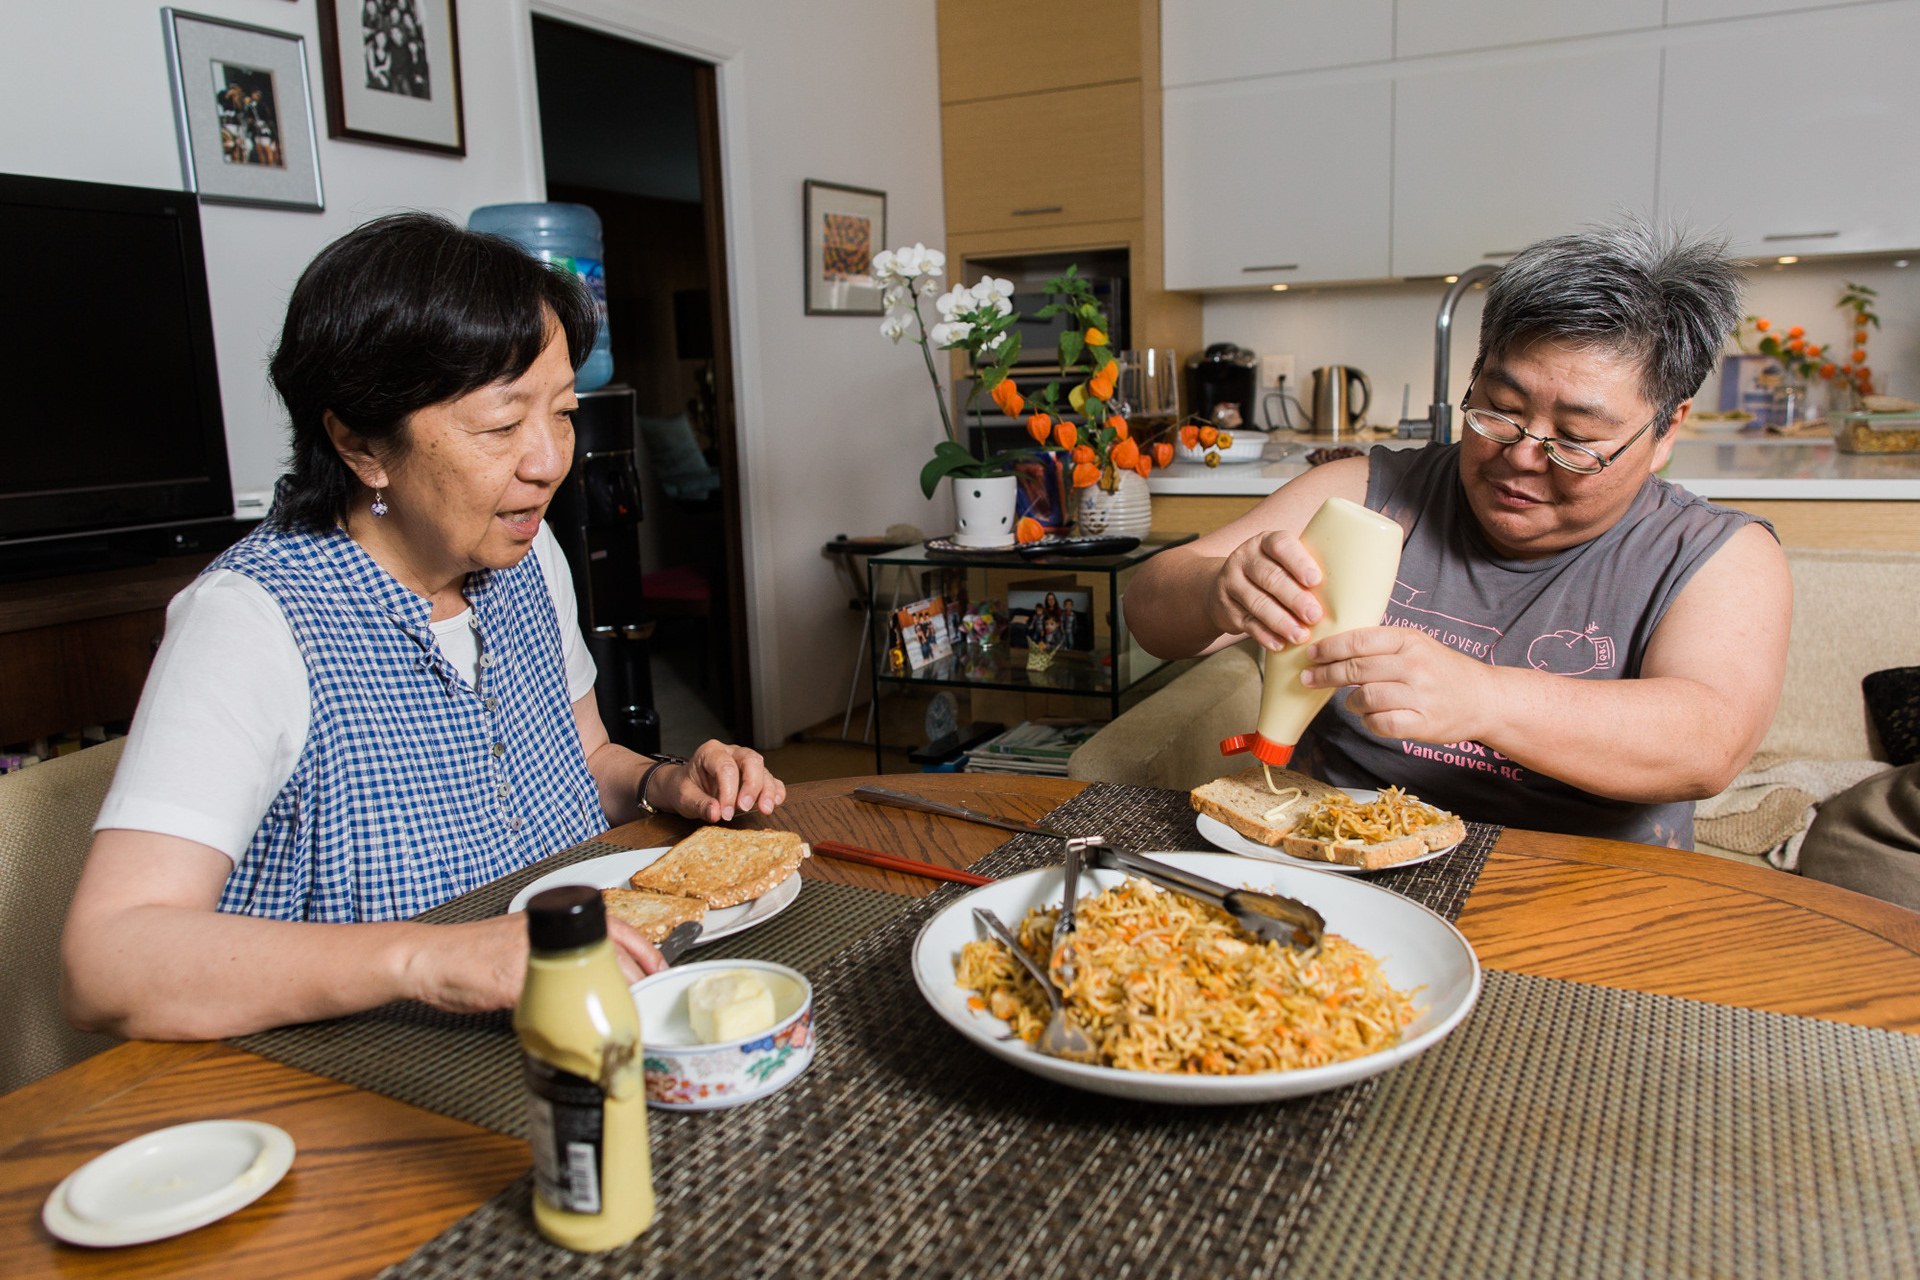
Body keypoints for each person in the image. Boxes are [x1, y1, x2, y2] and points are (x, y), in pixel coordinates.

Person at [61, 214, 786, 1041]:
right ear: (362, 444)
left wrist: (665, 781)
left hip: (557, 1016)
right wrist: (429, 960)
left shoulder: (524, 550)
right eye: (501, 425)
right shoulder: (250, 622)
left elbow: (581, 760)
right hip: (350, 1072)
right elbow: (105, 961)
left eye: (562, 412)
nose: (550, 460)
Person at [1126, 219, 1792, 848]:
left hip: (1579, 892)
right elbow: (1150, 608)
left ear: (1667, 429)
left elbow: (1710, 744)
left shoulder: (1717, 556)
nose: (1523, 456)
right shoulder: (1365, 491)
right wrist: (1220, 588)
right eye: (1499, 412)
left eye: (1576, 440)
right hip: (1338, 861)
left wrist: (1485, 700)